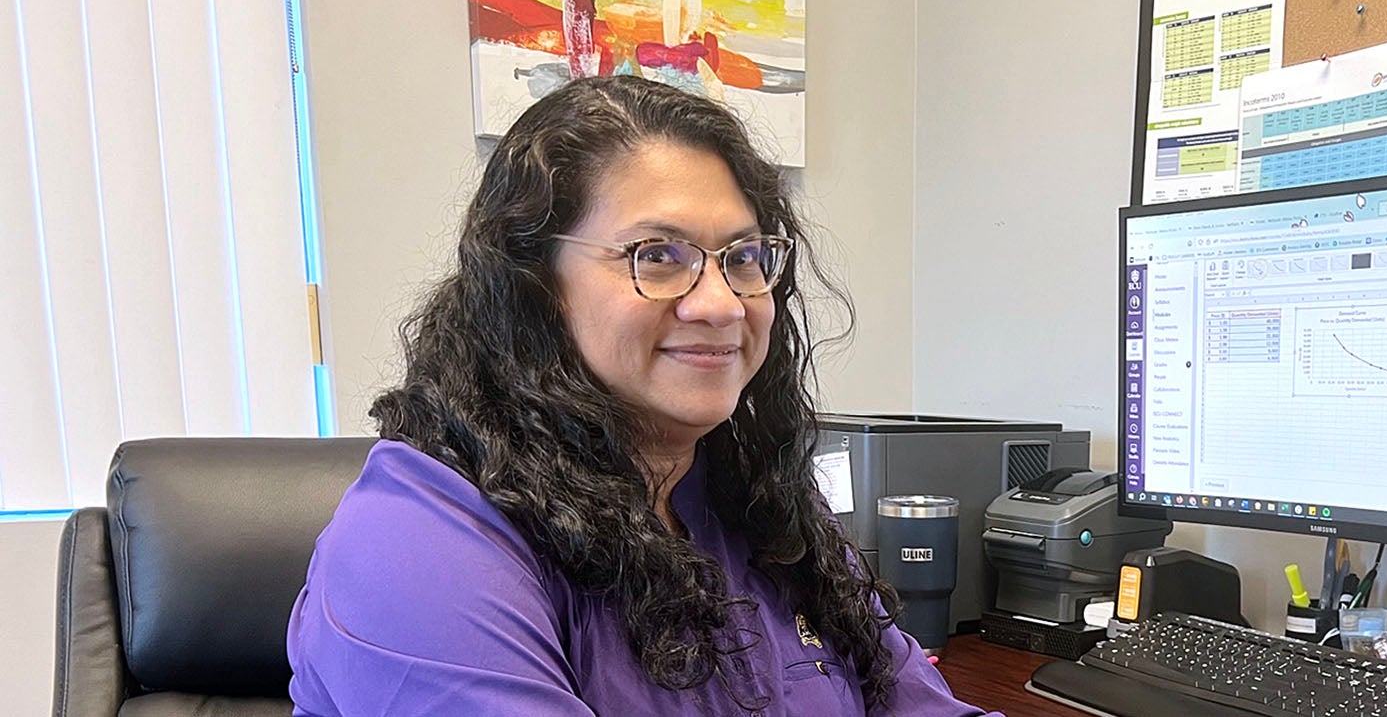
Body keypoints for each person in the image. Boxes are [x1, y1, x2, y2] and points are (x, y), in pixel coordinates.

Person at [287, 75, 996, 716]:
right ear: (536, 288)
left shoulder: (761, 505)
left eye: (744, 258)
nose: (721, 303)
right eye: (656, 255)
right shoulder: (417, 542)